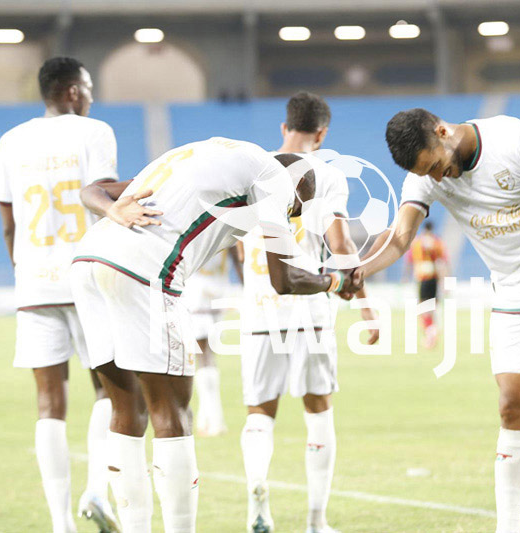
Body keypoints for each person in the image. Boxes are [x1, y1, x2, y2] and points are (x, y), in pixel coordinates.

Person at [70, 137, 364, 533]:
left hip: (88, 259)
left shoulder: (200, 154)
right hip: (145, 272)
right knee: (172, 411)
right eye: (294, 210)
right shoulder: (275, 179)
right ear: (294, 187)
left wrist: (110, 210)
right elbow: (284, 278)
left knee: (126, 408)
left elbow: (94, 190)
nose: (286, 218)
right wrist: (335, 281)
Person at [357, 109, 520, 533]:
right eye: (428, 174)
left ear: (443, 132)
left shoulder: (514, 140)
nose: (438, 179)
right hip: (511, 293)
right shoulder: (423, 175)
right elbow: (401, 236)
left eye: (436, 166)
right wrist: (360, 270)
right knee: (512, 406)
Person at [238, 92, 379, 533]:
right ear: (322, 134)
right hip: (312, 309)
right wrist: (365, 304)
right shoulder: (329, 176)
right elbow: (341, 247)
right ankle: (317, 521)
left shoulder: (252, 168)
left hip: (261, 309)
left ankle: (258, 490)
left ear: (284, 128)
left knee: (259, 414)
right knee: (318, 411)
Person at [0, 57, 120, 533]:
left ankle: (60, 523)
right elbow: (104, 196)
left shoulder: (10, 140)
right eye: (87, 87)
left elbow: (7, 220)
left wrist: (24, 268)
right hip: (87, 276)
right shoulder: (94, 131)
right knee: (109, 387)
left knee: (49, 402)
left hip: (35, 280)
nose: (90, 96)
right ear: (71, 91)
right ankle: (95, 489)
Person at [183, 247, 242, 437]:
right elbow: (237, 255)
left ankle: (213, 419)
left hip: (197, 288)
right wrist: (244, 286)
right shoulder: (227, 221)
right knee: (208, 354)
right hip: (220, 287)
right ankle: (209, 417)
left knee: (202, 355)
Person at [404, 220, 447, 348]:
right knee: (434, 305)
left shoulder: (417, 242)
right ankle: (434, 329)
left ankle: (430, 332)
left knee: (422, 306)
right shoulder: (437, 242)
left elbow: (409, 261)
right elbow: (441, 262)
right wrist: (443, 280)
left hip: (421, 277)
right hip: (433, 277)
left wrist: (405, 276)